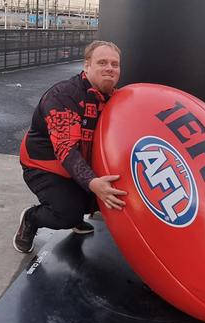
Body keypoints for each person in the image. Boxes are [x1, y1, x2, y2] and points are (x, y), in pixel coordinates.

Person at [13, 40, 127, 253]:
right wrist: (93, 183)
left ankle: (78, 207)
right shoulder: (64, 96)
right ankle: (31, 218)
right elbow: (65, 149)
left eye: (115, 64)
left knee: (116, 193)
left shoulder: (116, 98)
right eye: (102, 62)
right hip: (44, 166)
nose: (110, 68)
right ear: (87, 66)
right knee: (68, 213)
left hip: (81, 162)